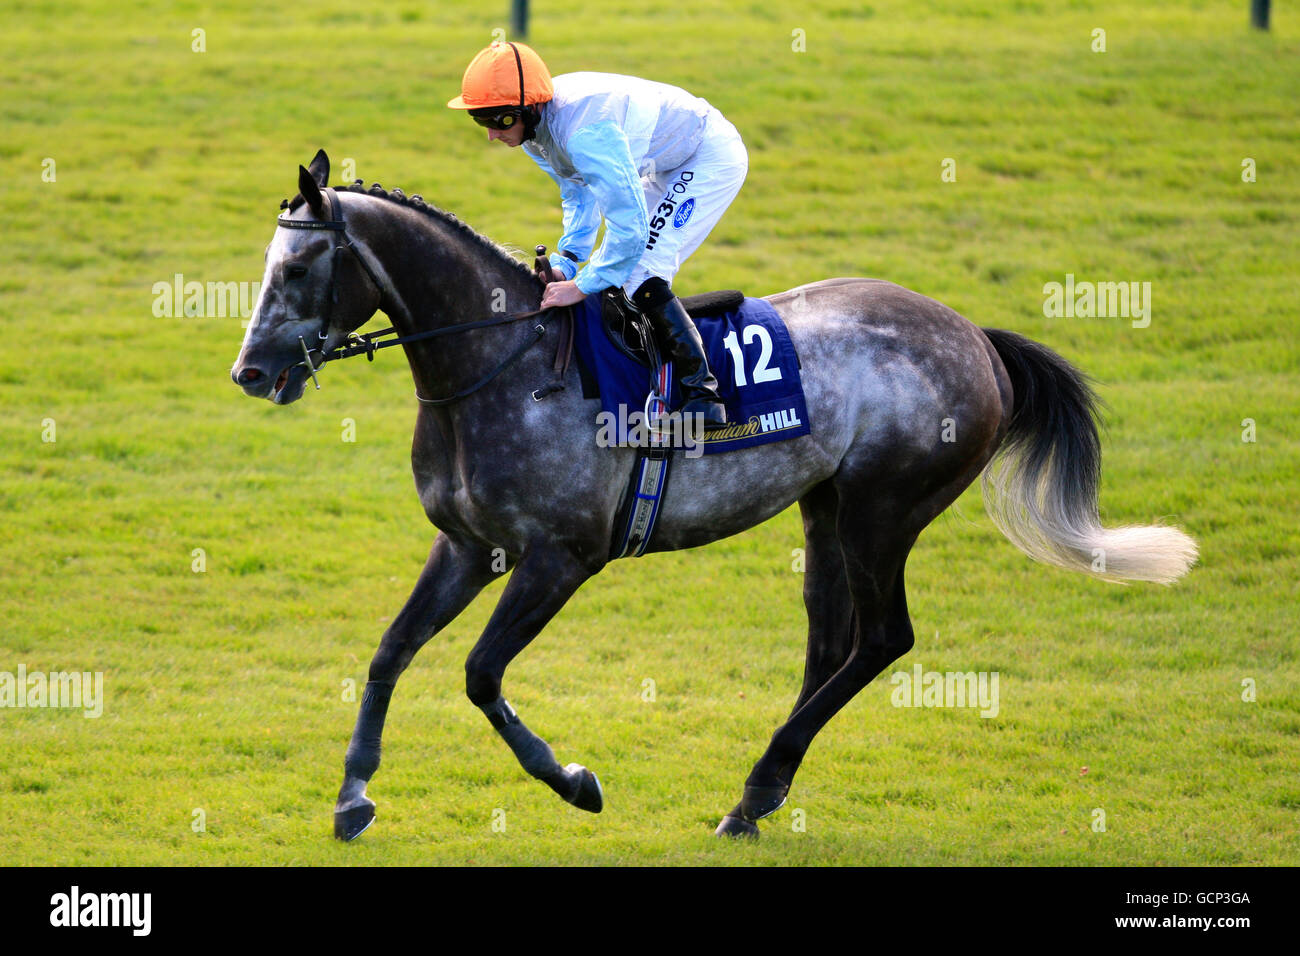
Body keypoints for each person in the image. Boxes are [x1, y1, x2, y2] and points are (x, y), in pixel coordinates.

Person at [447, 41, 749, 429]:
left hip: (706, 155)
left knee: (639, 269)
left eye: (497, 120)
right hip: (660, 162)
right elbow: (578, 191)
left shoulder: (586, 132)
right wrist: (569, 260)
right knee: (616, 273)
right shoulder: (535, 132)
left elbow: (630, 230)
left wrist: (583, 285)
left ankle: (702, 394)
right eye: (480, 119)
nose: (491, 134)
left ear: (527, 108)